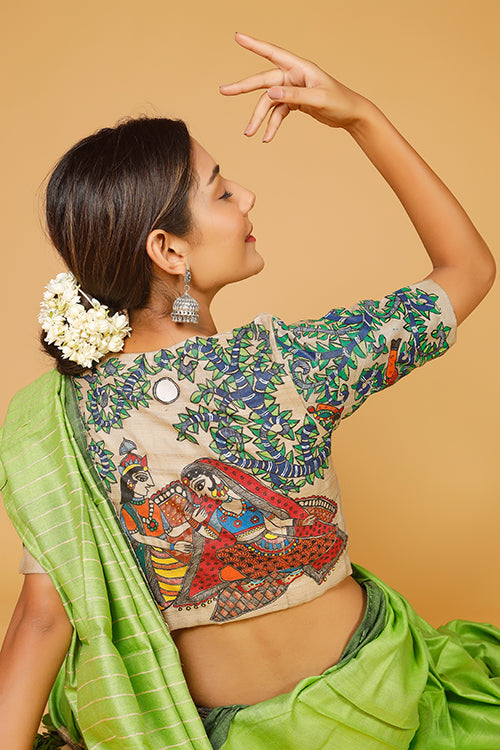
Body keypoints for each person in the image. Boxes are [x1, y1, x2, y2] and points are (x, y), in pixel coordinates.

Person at [0, 31, 498, 750]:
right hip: (272, 725)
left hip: (349, 709)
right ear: (169, 249)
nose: (248, 196)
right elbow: (467, 269)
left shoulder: (83, 410)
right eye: (223, 191)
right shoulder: (72, 413)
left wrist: (362, 114)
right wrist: (360, 117)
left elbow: (40, 621)